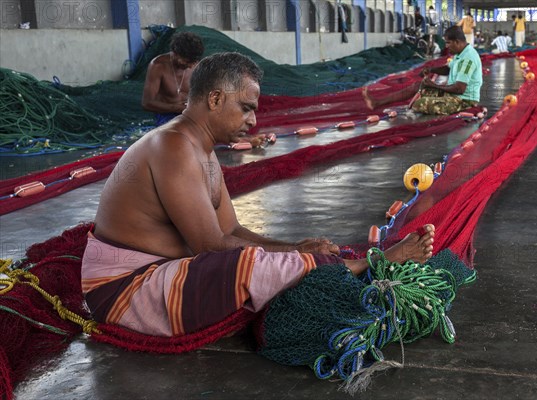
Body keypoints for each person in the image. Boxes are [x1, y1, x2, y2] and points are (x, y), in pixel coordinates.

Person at [83, 52, 435, 337]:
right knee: (244, 264)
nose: (253, 121)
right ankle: (362, 265)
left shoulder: (201, 150)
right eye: (247, 108)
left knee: (254, 256)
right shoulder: (173, 145)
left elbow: (231, 231)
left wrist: (296, 248)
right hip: (125, 291)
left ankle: (331, 266)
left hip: (161, 270)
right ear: (216, 98)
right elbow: (211, 246)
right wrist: (291, 255)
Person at [362, 26, 482, 116]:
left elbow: (460, 89)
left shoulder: (468, 59)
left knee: (420, 104)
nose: (446, 46)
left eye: (448, 43)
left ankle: (457, 107)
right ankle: (377, 103)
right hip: (454, 93)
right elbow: (448, 68)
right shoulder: (459, 53)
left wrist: (434, 86)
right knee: (418, 86)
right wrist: (431, 70)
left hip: (464, 100)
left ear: (457, 42)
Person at [141, 32, 204, 126]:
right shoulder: (158, 66)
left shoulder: (195, 65)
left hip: (191, 113)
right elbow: (147, 103)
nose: (190, 66)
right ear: (175, 53)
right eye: (187, 61)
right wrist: (178, 108)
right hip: (167, 115)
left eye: (193, 62)